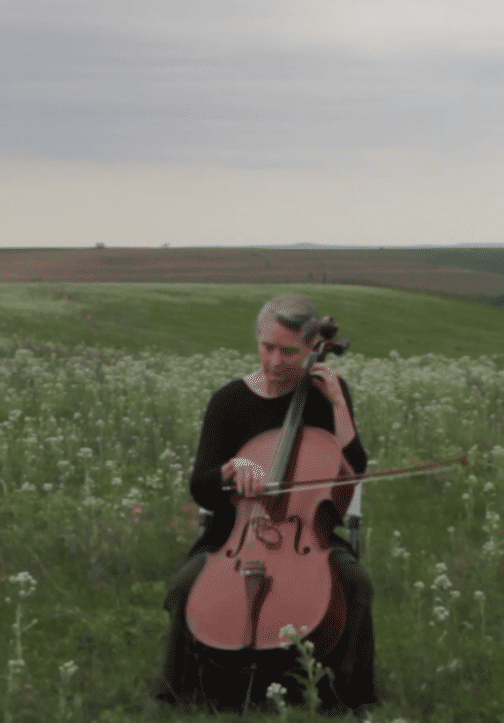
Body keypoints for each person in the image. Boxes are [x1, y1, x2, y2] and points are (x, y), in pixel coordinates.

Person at [155, 294, 378, 714]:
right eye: (267, 347)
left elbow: (355, 468)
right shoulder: (228, 401)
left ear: (313, 349)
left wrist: (337, 404)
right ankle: (185, 693)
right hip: (233, 533)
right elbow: (201, 486)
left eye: (288, 352)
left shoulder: (327, 395)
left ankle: (347, 699)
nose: (274, 361)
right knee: (185, 586)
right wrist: (229, 469)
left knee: (354, 584)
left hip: (307, 530)